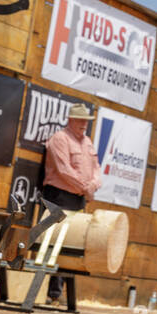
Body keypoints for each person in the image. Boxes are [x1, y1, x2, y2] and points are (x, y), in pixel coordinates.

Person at [41, 104, 101, 303]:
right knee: (52, 242)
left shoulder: (88, 143)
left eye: (86, 121)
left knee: (72, 243)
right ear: (70, 120)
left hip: (77, 197)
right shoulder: (60, 139)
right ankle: (43, 292)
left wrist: (93, 185)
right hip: (59, 196)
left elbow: (97, 170)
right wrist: (86, 187)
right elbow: (63, 170)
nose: (84, 124)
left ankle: (56, 294)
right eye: (80, 120)